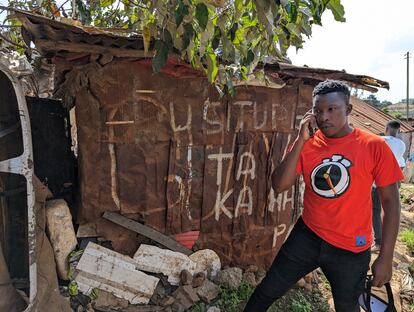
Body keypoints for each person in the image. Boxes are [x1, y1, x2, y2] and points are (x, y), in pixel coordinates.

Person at [244, 80, 403, 312]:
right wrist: (300, 141)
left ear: (348, 110)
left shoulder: (373, 146)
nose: (324, 117)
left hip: (351, 249)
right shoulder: (307, 144)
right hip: (307, 236)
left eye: (331, 109)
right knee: (266, 292)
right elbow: (279, 185)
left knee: (347, 307)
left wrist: (386, 256)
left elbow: (392, 204)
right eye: (318, 111)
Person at [371, 120, 406, 252]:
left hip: (379, 181)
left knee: (375, 210)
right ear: (399, 130)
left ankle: (378, 243)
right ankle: (389, 244)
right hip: (394, 181)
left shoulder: (379, 140)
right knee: (390, 210)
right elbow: (401, 164)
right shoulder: (401, 144)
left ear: (386, 128)